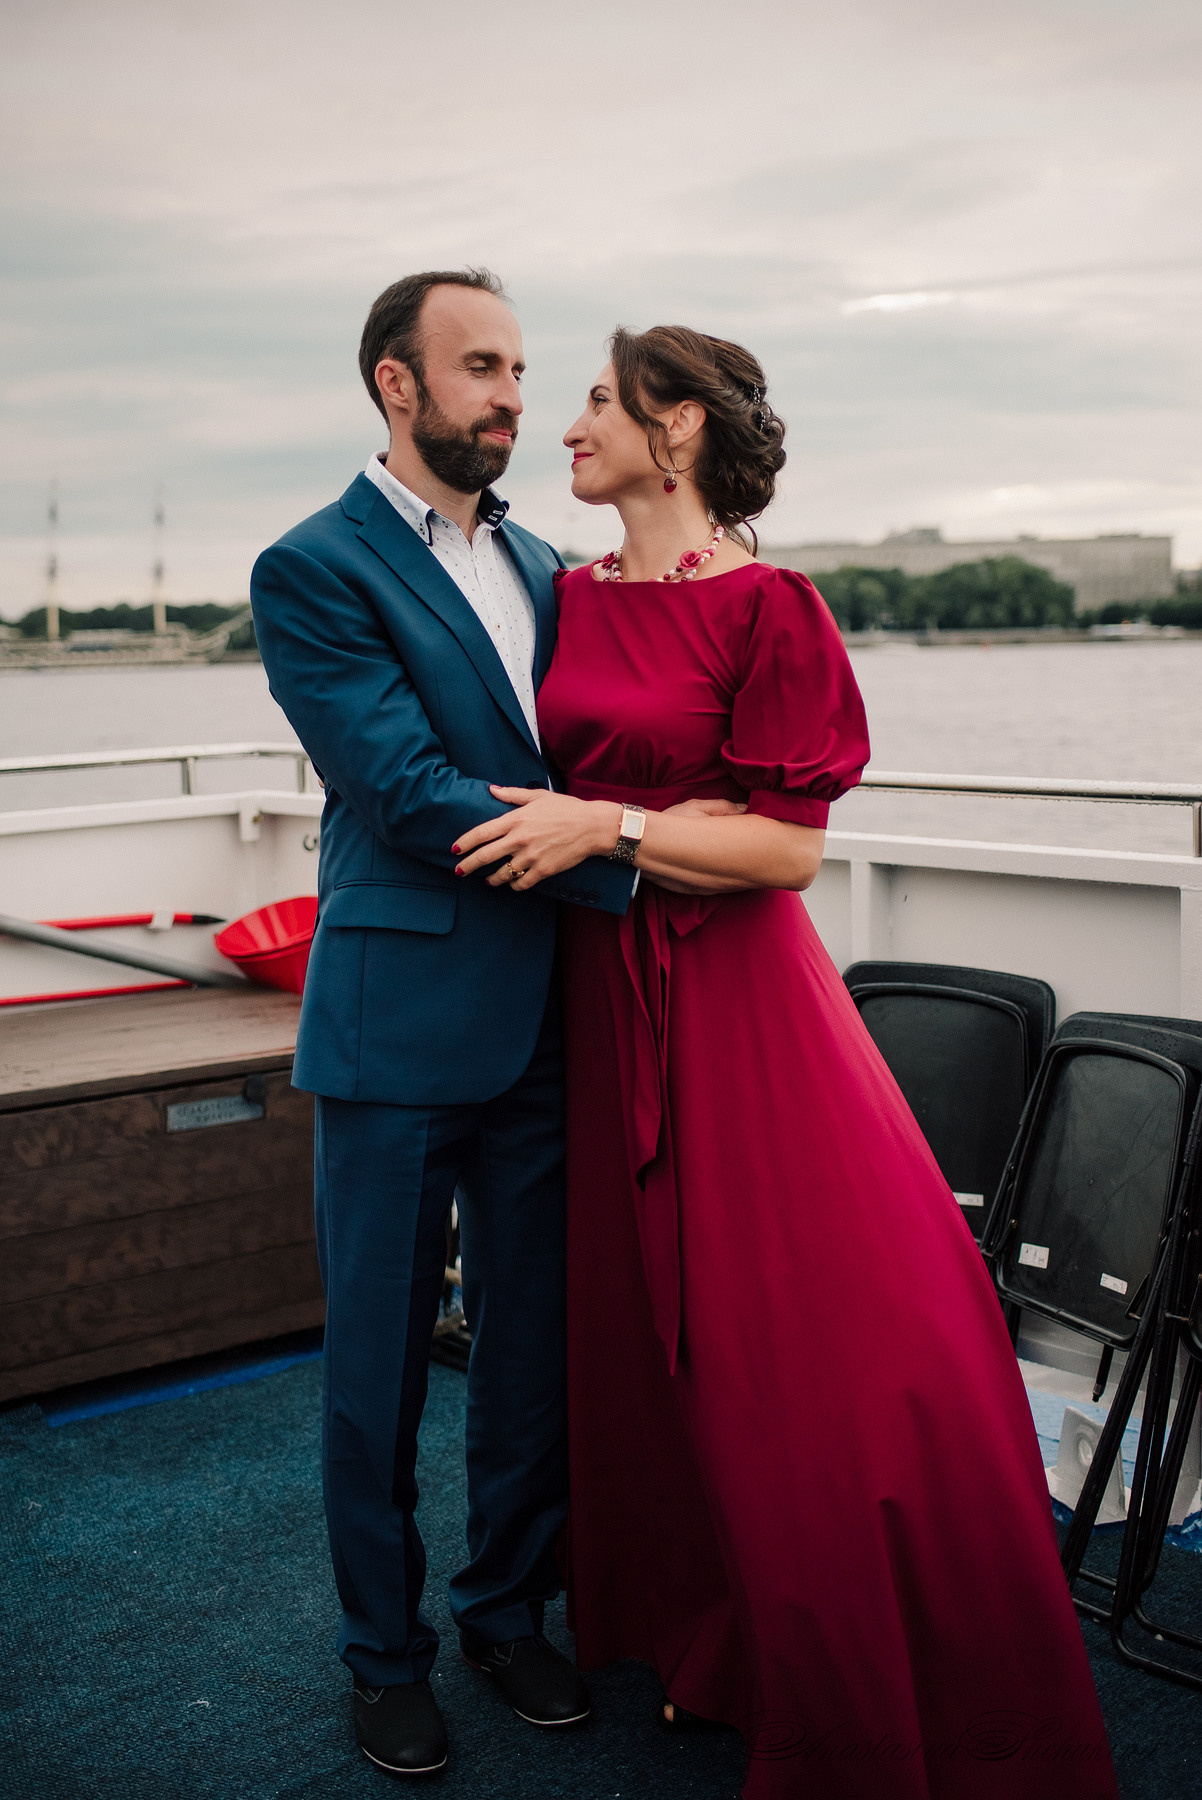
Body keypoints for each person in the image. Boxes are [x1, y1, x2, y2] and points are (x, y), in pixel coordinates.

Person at [451, 325, 1121, 1799]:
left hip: (736, 1008)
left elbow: (787, 847)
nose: (565, 428)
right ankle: (708, 1639)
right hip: (593, 998)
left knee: (787, 1344)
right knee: (639, 1335)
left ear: (674, 428)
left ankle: (850, 1665)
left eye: (594, 405)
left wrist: (605, 827)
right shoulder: (564, 598)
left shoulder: (769, 606)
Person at [249, 269, 636, 1778]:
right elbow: (403, 792)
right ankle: (381, 1654)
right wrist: (622, 845)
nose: (515, 398)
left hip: (548, 1016)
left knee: (530, 1347)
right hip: (400, 1024)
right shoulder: (313, 566)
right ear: (394, 384)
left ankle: (504, 1611)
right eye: (481, 366)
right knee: (380, 1367)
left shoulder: (546, 560)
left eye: (523, 370)